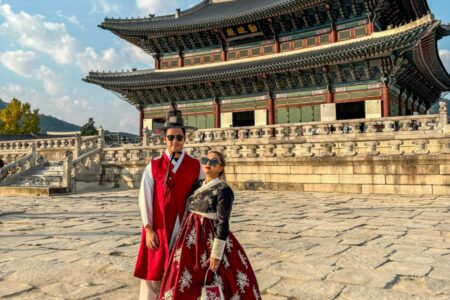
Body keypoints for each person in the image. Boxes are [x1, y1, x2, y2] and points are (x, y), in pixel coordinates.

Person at [160, 151, 261, 300]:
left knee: (216, 278)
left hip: (210, 238)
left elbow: (223, 222)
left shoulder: (223, 190)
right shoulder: (197, 185)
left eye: (214, 162)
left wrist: (216, 254)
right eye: (206, 160)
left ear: (220, 168)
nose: (208, 163)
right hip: (189, 240)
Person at [134, 102, 204, 300]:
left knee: (182, 273)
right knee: (153, 275)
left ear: (185, 138)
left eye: (179, 137)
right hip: (158, 228)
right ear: (164, 139)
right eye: (171, 137)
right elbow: (144, 197)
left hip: (183, 229)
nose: (175, 141)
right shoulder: (154, 166)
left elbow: (202, 196)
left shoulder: (194, 165)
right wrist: (148, 228)